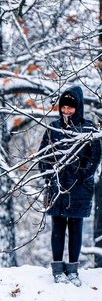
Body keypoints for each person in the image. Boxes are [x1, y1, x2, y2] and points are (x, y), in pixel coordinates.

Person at [38, 86, 100, 287]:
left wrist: (82, 175)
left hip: (80, 188)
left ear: (78, 108)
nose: (66, 111)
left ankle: (73, 269)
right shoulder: (53, 128)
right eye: (63, 107)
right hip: (57, 187)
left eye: (70, 108)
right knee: (57, 227)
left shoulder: (89, 129)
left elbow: (95, 157)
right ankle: (57, 269)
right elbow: (43, 156)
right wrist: (50, 176)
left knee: (75, 227)